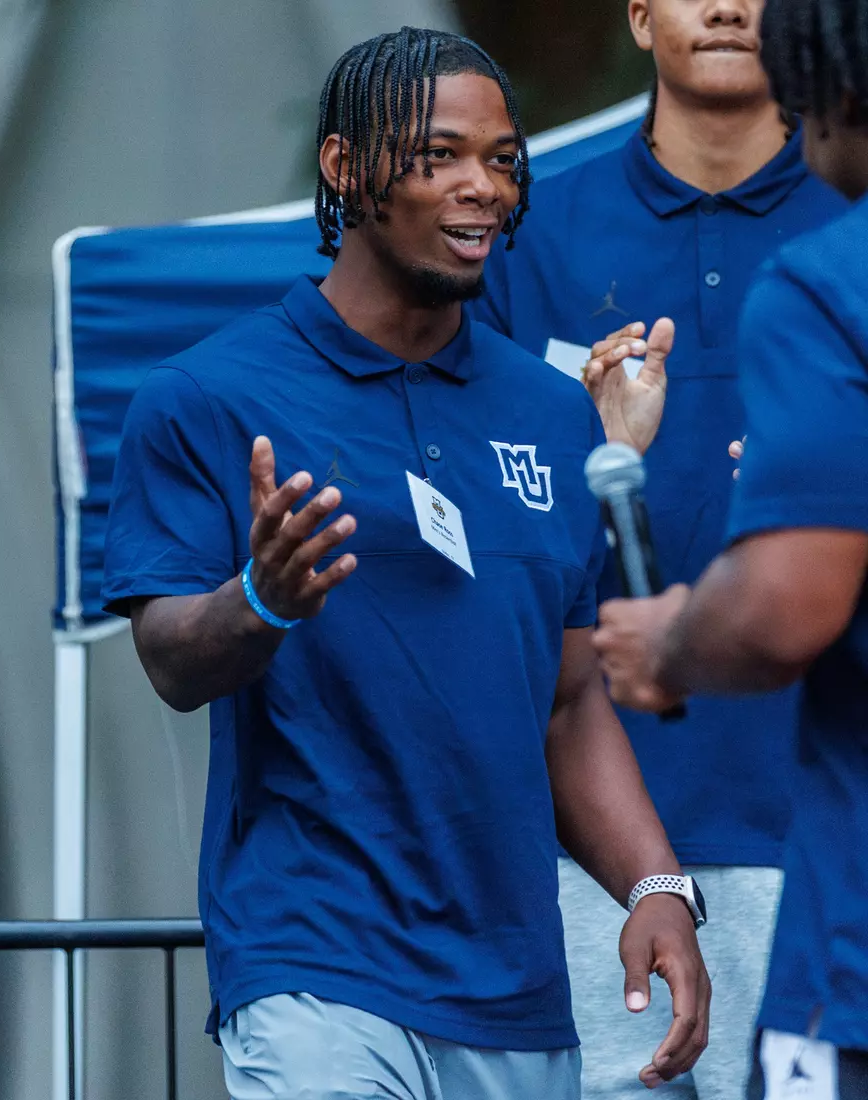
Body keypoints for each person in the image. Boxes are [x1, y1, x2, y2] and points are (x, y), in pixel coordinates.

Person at [101, 27, 710, 1100]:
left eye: (504, 161)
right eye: (438, 156)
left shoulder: (552, 414)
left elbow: (569, 702)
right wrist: (260, 598)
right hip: (315, 966)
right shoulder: (205, 396)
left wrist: (654, 885)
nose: (480, 188)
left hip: (516, 991)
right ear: (345, 168)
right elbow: (170, 660)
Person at [471, 2, 848, 1096]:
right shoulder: (522, 231)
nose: (727, 5)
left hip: (822, 827)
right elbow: (479, 534)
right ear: (637, 16)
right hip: (586, 844)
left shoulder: (852, 223)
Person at [592, 1, 868, 1096]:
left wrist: (668, 636)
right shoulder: (538, 228)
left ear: (831, 82)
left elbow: (783, 604)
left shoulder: (826, 278)